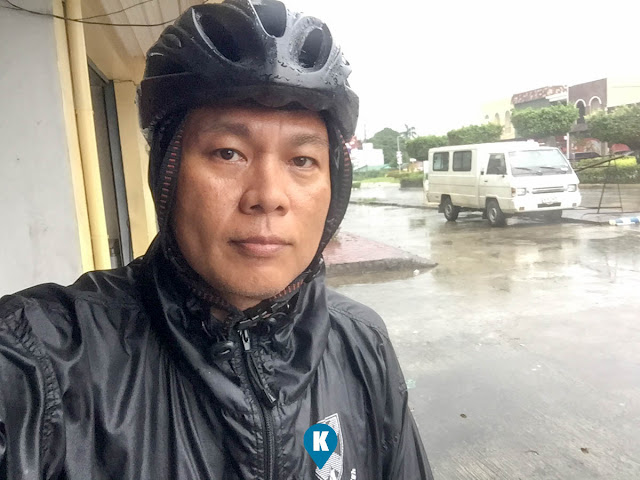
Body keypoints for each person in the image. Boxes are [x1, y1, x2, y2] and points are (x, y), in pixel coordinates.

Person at [0, 1, 433, 478]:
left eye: (302, 160)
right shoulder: (42, 357)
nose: (268, 196)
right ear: (167, 173)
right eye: (228, 153)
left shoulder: (362, 343)